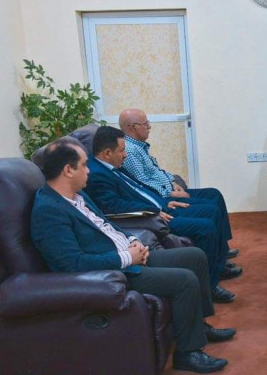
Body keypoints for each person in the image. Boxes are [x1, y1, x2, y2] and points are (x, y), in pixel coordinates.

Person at [30, 139, 237, 374]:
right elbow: (73, 263)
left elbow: (107, 224)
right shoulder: (48, 210)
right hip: (114, 272)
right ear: (68, 170)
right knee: (184, 280)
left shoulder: (78, 195)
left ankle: (198, 326)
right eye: (85, 165)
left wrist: (131, 240)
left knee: (194, 257)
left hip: (128, 255)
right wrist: (128, 257)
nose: (89, 170)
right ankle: (187, 353)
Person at [84, 125, 236, 303]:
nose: (125, 155)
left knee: (211, 210)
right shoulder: (97, 174)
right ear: (107, 153)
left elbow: (140, 187)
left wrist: (163, 201)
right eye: (122, 150)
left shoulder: (111, 165)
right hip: (152, 217)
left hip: (161, 206)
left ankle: (218, 264)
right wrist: (154, 210)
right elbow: (114, 206)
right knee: (206, 227)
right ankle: (209, 287)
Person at [118, 108, 241, 276]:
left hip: (167, 190)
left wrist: (172, 181)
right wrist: (169, 192)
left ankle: (221, 251)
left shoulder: (139, 146)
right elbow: (142, 183)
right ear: (133, 127)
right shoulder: (131, 151)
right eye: (146, 123)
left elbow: (156, 172)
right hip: (163, 197)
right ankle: (218, 263)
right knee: (211, 209)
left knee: (214, 194)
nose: (149, 126)